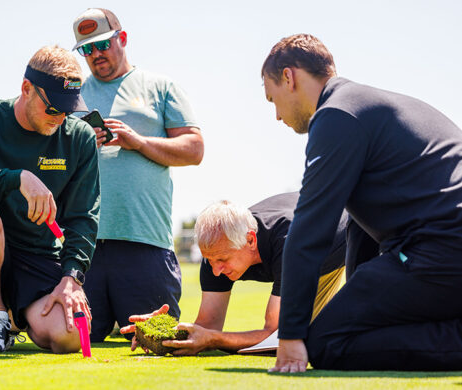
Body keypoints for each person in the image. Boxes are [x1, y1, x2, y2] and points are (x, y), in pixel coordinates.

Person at [263, 34, 462, 372]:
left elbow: (310, 228)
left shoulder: (337, 115)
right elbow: (360, 225)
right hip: (442, 252)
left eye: (272, 100)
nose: (278, 116)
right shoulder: (367, 105)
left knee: (326, 343)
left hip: (439, 252)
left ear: (288, 77)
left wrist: (292, 335)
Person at [0, 45, 100, 354]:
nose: (60, 117)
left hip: (38, 256)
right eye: (53, 108)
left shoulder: (80, 137)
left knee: (69, 337)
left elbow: (83, 217)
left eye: (68, 109)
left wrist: (72, 278)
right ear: (26, 89)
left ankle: (13, 319)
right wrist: (16, 178)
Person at [71, 8, 204, 342]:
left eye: (102, 44)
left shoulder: (160, 87)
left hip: (144, 242)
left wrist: (138, 142)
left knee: (156, 339)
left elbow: (194, 149)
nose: (96, 54)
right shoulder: (73, 97)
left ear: (122, 39)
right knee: (71, 340)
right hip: (85, 247)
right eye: (86, 49)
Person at [121, 193, 350, 355]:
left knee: (312, 340)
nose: (216, 270)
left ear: (250, 240)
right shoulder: (215, 252)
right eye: (210, 260)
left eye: (222, 259)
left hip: (334, 240)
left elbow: (273, 334)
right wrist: (158, 333)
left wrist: (213, 341)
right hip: (300, 230)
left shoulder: (289, 246)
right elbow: (208, 324)